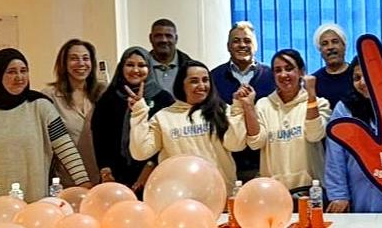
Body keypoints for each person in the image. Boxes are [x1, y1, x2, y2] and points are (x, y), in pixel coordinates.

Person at [0, 49, 90, 215]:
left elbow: (66, 149)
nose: (19, 77)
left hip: (33, 205)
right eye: (11, 72)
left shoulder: (41, 106)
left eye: (23, 71)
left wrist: (84, 183)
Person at [230, 49, 331, 196]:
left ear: (301, 72)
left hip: (311, 191)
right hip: (274, 193)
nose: (283, 75)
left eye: (289, 69)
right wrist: (248, 106)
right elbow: (255, 143)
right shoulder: (263, 105)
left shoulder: (319, 103)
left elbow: (314, 135)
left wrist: (311, 96)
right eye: (278, 70)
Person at [129, 60, 239, 194]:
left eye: (205, 80)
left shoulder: (222, 110)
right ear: (182, 84)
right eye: (194, 81)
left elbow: (236, 145)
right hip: (179, 195)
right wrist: (138, 112)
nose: (201, 86)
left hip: (218, 193)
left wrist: (238, 109)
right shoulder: (164, 117)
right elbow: (140, 152)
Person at [91, 46, 174, 193]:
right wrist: (105, 171)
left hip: (153, 175)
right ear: (121, 67)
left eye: (142, 65)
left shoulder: (163, 99)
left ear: (149, 68)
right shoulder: (108, 98)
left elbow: (166, 139)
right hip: (114, 176)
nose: (135, 70)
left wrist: (149, 169)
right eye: (130, 65)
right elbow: (100, 137)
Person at [324, 58, 382, 213]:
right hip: (359, 191)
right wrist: (338, 194)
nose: (362, 82)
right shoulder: (345, 108)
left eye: (368, 76)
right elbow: (335, 154)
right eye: (357, 78)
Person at [210, 21, 275, 181]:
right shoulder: (213, 77)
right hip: (227, 161)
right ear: (228, 46)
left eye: (247, 40)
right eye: (236, 41)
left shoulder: (272, 76)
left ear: (256, 46)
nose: (242, 45)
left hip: (266, 160)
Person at [42, 39, 107, 186]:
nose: (81, 63)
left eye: (85, 58)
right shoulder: (49, 97)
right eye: (74, 58)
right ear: (63, 64)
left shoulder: (104, 93)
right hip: (65, 180)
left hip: (102, 177)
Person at [312, 24, 354, 109]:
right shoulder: (314, 81)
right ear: (320, 50)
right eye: (325, 44)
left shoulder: (358, 76)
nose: (330, 47)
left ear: (344, 46)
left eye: (335, 42)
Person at [148, 18, 192, 91]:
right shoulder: (140, 68)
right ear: (150, 38)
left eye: (168, 36)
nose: (164, 40)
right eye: (158, 35)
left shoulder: (190, 68)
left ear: (176, 39)